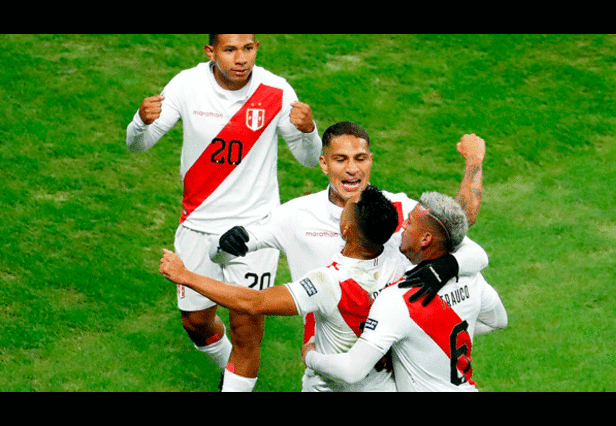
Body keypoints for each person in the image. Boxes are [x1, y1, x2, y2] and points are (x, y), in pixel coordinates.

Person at [213, 121, 489, 389]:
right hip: (328, 371)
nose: (352, 170)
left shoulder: (397, 211)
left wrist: (474, 161)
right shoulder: (295, 216)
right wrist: (220, 245)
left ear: (370, 160)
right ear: (324, 163)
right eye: (340, 159)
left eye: (359, 158)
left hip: (387, 373)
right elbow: (227, 250)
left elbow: (460, 221)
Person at [125, 34, 322, 392]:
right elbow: (137, 145)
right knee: (196, 324)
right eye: (229, 50)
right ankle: (231, 371)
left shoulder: (276, 91)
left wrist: (309, 132)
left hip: (255, 231)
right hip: (197, 224)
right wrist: (140, 121)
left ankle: (236, 381)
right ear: (210, 51)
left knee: (247, 328)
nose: (240, 59)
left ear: (257, 48)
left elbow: (310, 160)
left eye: (248, 48)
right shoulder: (187, 85)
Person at [160, 185, 406, 391]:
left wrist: (186, 276)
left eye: (348, 207)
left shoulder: (329, 282)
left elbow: (253, 303)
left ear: (346, 229)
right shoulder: (401, 265)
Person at [302, 192, 508, 391]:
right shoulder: (472, 278)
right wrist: (430, 337)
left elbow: (352, 371)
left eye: (409, 222)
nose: (402, 227)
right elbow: (498, 320)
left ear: (425, 239)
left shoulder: (397, 299)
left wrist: (310, 355)